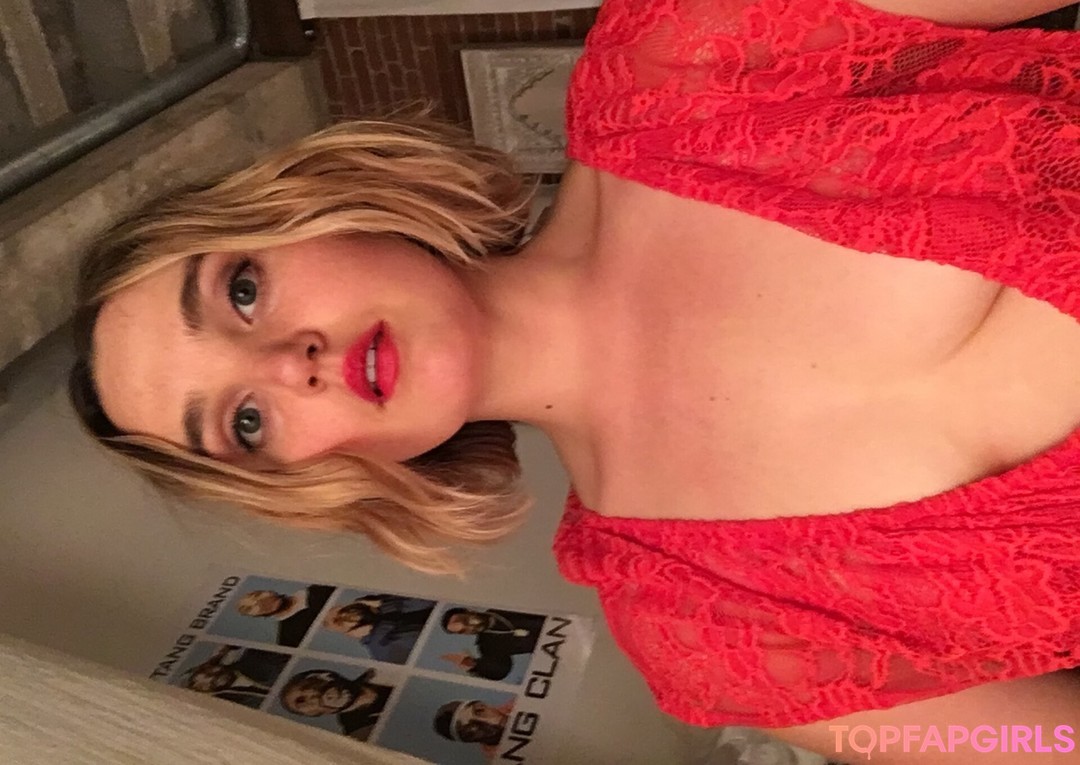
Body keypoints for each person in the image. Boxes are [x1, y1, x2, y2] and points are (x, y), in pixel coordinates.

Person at [70, 0, 1080, 761]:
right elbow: (1039, 747)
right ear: (310, 479)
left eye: (242, 290)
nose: (286, 364)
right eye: (245, 423)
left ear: (306, 209)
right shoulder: (711, 631)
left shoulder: (684, 56)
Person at [279, 667, 393, 740]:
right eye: (301, 701)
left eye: (308, 685)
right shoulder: (359, 733)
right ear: (312, 714)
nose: (311, 693)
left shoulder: (381, 673)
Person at [321, 594, 435, 663]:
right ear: (348, 633)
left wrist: (384, 604)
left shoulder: (382, 600)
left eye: (341, 610)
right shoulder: (382, 651)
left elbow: (431, 598)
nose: (345, 614)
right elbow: (426, 636)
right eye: (338, 621)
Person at [438, 607, 545, 681]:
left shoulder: (499, 607)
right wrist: (471, 663)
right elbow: (500, 670)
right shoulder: (487, 645)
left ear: (469, 611)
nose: (467, 627)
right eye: (462, 631)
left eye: (463, 620)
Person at [182, 644, 289, 708]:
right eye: (202, 685)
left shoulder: (252, 657)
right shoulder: (234, 705)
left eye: (207, 671)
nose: (212, 677)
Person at [234, 584, 336, 647]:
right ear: (260, 615)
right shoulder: (288, 638)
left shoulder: (318, 588)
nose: (263, 602)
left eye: (257, 596)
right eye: (257, 606)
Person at [432, 699, 511, 758]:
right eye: (471, 730)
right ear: (469, 740)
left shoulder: (515, 703)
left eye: (480, 711)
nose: (493, 722)